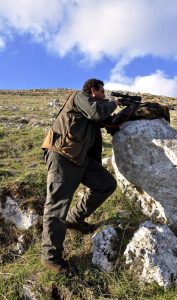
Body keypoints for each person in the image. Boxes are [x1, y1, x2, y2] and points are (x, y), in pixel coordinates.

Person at [41, 79, 120, 274]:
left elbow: (110, 122)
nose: (104, 95)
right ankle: (51, 258)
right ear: (93, 90)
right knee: (57, 207)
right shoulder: (80, 97)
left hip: (82, 160)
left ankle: (75, 218)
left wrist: (133, 110)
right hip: (62, 156)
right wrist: (115, 103)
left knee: (106, 184)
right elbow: (98, 112)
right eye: (103, 92)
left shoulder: (93, 109)